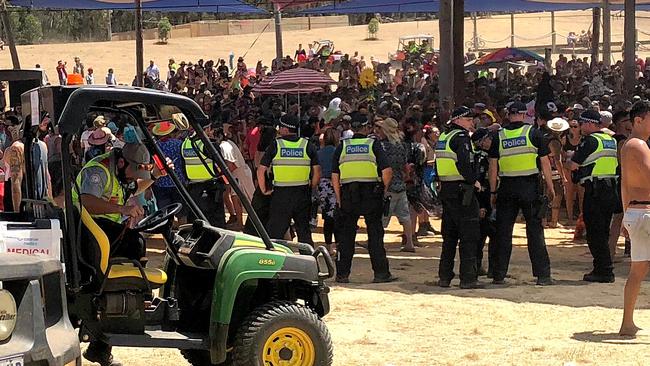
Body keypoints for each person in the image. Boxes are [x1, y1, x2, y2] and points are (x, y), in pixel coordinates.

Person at [72, 143, 168, 366]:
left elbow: (134, 188)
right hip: (85, 233)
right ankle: (137, 296)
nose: (135, 177)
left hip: (101, 231)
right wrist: (123, 210)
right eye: (135, 171)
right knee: (136, 242)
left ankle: (102, 345)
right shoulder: (99, 171)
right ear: (123, 162)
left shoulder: (122, 172)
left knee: (136, 240)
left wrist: (154, 175)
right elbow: (87, 201)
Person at [488, 101, 555, 286]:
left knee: (503, 233)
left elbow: (493, 167)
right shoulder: (534, 133)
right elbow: (545, 163)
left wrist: (493, 190)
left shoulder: (499, 136)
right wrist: (550, 187)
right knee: (535, 232)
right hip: (530, 187)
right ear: (526, 115)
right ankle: (543, 275)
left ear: (508, 115)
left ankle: (498, 274)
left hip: (507, 187)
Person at [331, 112, 396, 283]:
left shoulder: (342, 146)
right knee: (375, 234)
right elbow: (387, 171)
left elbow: (335, 175)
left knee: (346, 237)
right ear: (367, 128)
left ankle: (342, 274)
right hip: (371, 193)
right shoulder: (373, 144)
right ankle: (381, 274)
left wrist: (339, 198)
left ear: (351, 127)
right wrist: (383, 189)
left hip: (348, 194)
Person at [567, 109, 618, 283]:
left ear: (589, 123)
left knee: (595, 233)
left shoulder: (590, 141)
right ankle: (603, 268)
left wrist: (569, 159)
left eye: (581, 124)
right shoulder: (610, 140)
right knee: (603, 231)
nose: (580, 127)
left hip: (595, 191)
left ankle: (604, 270)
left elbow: (573, 165)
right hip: (610, 190)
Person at [434, 107, 481, 289]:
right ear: (459, 120)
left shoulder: (444, 137)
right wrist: (474, 180)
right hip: (462, 190)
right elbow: (464, 162)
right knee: (469, 236)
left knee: (450, 237)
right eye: (468, 119)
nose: (471, 122)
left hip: (446, 189)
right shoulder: (461, 138)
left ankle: (444, 276)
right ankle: (468, 278)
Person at [258, 115, 320, 245]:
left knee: (275, 232)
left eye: (280, 127)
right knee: (304, 231)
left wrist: (264, 190)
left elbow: (261, 169)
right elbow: (317, 171)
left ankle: (274, 260)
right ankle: (308, 260)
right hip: (302, 194)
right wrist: (311, 186)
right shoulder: (307, 145)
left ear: (285, 129)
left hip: (281, 195)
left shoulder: (276, 145)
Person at [619, 100, 650, 336]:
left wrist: (625, 215)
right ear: (638, 120)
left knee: (638, 270)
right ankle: (626, 323)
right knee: (638, 270)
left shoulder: (630, 145)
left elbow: (625, 186)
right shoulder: (638, 145)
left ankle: (627, 323)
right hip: (645, 213)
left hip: (636, 212)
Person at [375, 117, 415, 253]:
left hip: (387, 186)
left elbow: (383, 167)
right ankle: (409, 243)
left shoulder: (382, 146)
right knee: (405, 216)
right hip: (400, 185)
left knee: (382, 217)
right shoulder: (401, 145)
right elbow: (405, 166)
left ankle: (377, 243)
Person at [181, 126, 226, 228]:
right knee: (216, 224)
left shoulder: (185, 143)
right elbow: (222, 167)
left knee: (196, 222)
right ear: (206, 129)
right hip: (210, 188)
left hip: (193, 189)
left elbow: (183, 166)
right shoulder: (208, 144)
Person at [216, 124, 255, 231]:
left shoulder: (225, 146)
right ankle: (239, 222)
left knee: (250, 199)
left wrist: (222, 175)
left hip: (240, 174)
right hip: (236, 174)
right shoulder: (227, 144)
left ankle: (258, 222)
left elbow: (231, 165)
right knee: (235, 198)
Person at [471, 128, 496, 277]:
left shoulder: (493, 154)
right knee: (480, 237)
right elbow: (478, 183)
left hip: (494, 198)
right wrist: (480, 205)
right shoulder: (479, 158)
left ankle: (493, 269)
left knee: (495, 236)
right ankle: (477, 266)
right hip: (483, 199)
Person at [317, 127, 339, 255]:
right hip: (335, 184)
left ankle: (328, 246)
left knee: (327, 217)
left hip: (323, 185)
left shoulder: (319, 153)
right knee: (337, 216)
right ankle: (338, 244)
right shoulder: (338, 152)